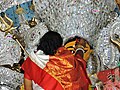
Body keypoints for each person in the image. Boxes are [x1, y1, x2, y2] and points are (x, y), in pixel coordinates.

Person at [21, 31, 91, 90]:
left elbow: (28, 88)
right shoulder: (65, 61)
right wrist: (80, 47)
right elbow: (78, 65)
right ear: (58, 47)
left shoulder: (33, 61)